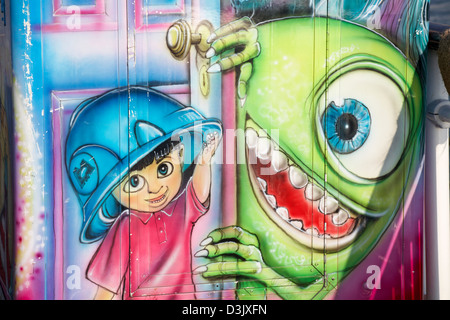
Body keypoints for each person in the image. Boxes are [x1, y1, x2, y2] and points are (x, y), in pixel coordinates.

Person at [65, 86, 222, 299]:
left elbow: (200, 193)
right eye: (135, 182)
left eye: (163, 169)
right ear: (111, 192)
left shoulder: (179, 211)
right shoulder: (125, 227)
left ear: (181, 155)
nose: (155, 188)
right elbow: (107, 287)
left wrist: (204, 161)